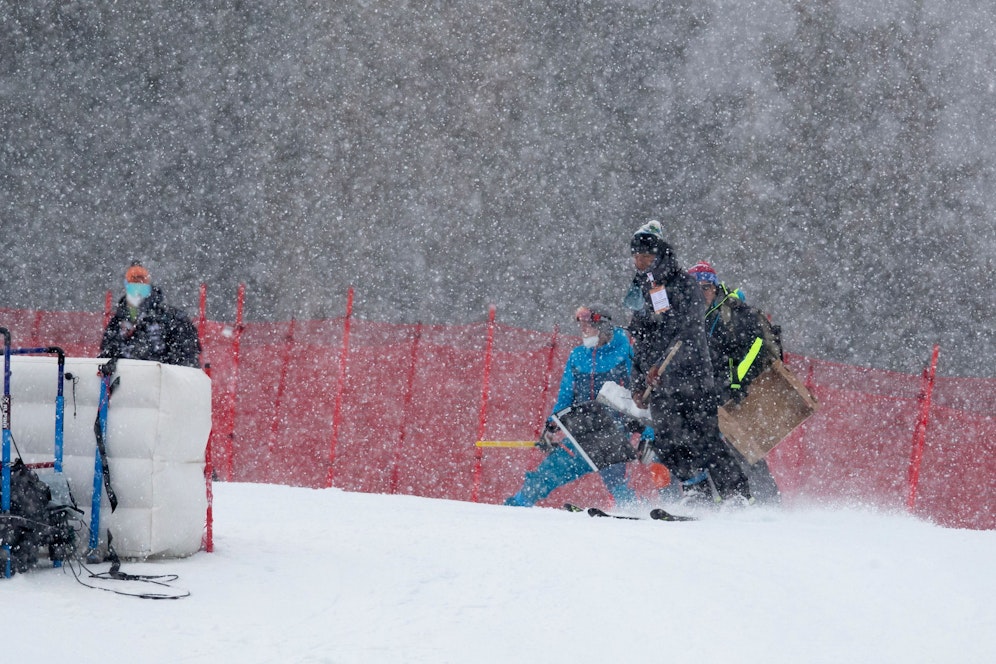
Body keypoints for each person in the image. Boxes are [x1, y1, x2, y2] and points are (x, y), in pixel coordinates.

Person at [624, 221, 751, 506]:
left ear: (657, 254)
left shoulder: (683, 285)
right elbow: (641, 342)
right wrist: (637, 382)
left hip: (692, 378)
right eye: (635, 255)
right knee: (668, 440)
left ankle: (737, 495)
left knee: (704, 438)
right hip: (660, 385)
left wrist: (661, 363)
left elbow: (687, 333)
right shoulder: (643, 290)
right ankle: (695, 491)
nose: (638, 260)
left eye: (644, 254)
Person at [505, 305, 638, 508]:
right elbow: (566, 395)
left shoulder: (624, 352)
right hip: (582, 428)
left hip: (612, 430)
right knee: (551, 470)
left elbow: (638, 395)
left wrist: (644, 431)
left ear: (603, 327)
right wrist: (551, 427)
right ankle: (517, 505)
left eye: (588, 326)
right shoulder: (578, 356)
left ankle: (633, 511)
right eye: (581, 325)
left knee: (613, 477)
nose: (583, 330)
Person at [688, 260, 781, 502]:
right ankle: (712, 499)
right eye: (695, 289)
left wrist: (737, 380)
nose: (702, 294)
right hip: (702, 390)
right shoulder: (686, 315)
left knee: (741, 446)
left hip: (732, 388)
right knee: (699, 445)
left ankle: (767, 501)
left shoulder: (734, 313)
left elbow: (756, 346)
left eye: (706, 288)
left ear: (715, 287)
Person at [99, 261, 201, 368]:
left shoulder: (171, 318)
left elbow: (187, 357)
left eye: (141, 287)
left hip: (160, 380)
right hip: (128, 379)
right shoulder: (117, 322)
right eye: (133, 287)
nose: (137, 294)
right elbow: (107, 354)